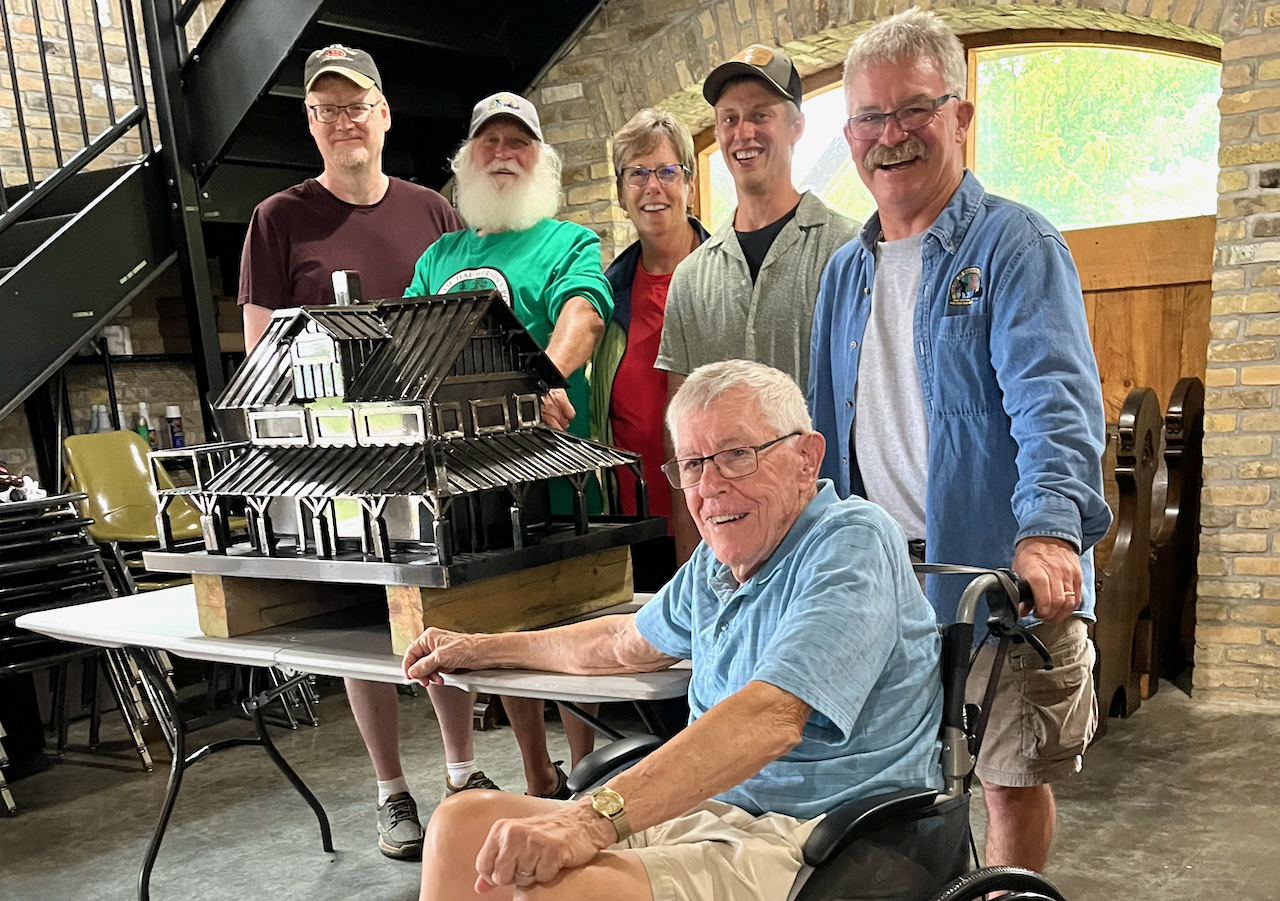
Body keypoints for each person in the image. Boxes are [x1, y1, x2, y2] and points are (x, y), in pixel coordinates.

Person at [403, 359, 943, 901]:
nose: (709, 487)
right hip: (713, 812)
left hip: (819, 840)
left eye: (737, 455)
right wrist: (478, 649)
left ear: (807, 457)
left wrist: (590, 819)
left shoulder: (851, 541)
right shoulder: (718, 564)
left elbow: (772, 717)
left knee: (542, 889)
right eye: (691, 464)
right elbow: (621, 645)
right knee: (460, 826)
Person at [807, 9, 1112, 873]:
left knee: (1011, 775)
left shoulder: (1014, 243)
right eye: (870, 118)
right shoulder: (845, 270)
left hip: (997, 574)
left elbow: (1054, 400)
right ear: (850, 134)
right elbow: (828, 429)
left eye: (914, 110)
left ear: (960, 117)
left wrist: (1050, 527)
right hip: (888, 576)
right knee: (900, 776)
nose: (890, 136)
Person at [237, 44, 463, 860]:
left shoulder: (433, 211)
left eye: (356, 104)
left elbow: (464, 317)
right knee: (365, 629)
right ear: (311, 124)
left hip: (429, 450)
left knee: (439, 611)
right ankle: (391, 791)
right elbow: (263, 355)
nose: (345, 121)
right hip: (338, 462)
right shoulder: (278, 218)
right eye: (327, 109)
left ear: (384, 113)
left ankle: (464, 773)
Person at [405, 91, 614, 801]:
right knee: (502, 630)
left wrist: (546, 379)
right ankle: (535, 771)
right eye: (489, 142)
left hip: (550, 471)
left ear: (541, 159)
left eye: (517, 142)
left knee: (567, 623)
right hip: (466, 484)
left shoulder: (567, 241)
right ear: (466, 160)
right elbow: (406, 341)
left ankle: (584, 771)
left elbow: (583, 313)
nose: (503, 153)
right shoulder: (441, 254)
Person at [655, 45, 860, 562]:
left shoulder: (849, 252)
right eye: (729, 119)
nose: (743, 133)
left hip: (826, 539)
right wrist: (689, 561)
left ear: (795, 126)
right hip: (728, 547)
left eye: (760, 115)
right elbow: (681, 440)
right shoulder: (691, 278)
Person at [590, 109, 709, 590]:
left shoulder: (729, 278)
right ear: (621, 194)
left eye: (666, 171)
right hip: (636, 530)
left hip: (720, 518)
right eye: (637, 174)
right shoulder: (606, 295)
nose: (652, 187)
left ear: (690, 184)